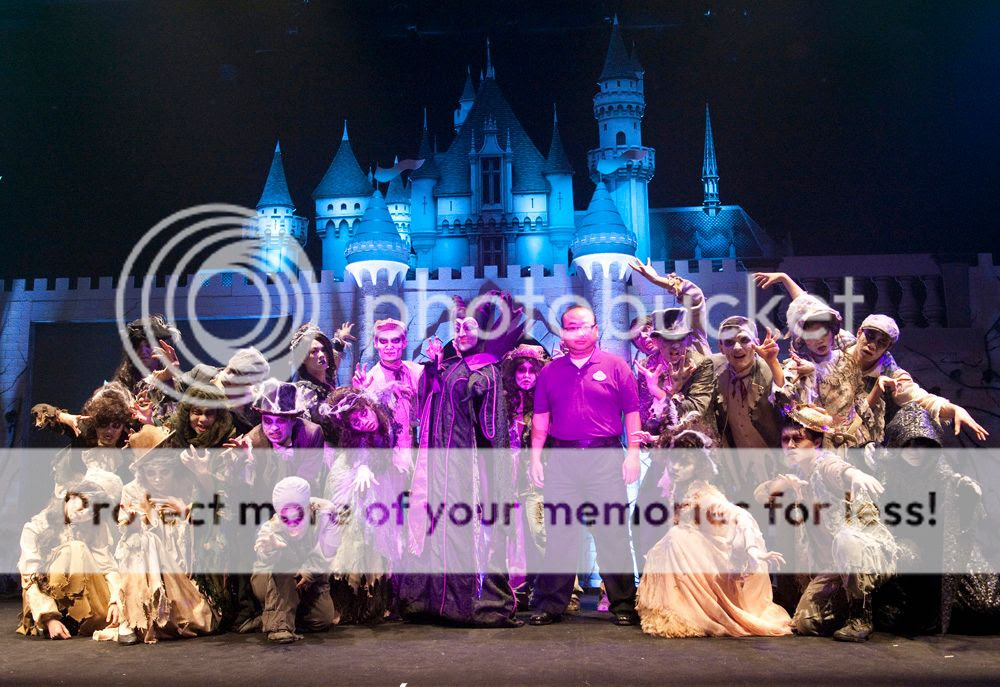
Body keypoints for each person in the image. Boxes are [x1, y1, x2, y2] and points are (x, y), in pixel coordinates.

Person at [396, 295, 522, 627]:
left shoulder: (486, 369)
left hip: (467, 469)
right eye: (458, 326)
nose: (462, 332)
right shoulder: (447, 365)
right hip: (436, 466)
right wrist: (433, 370)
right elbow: (426, 407)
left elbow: (493, 428)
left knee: (462, 529)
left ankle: (468, 604)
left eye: (470, 327)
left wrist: (482, 388)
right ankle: (432, 601)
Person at [527, 304, 642, 627]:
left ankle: (623, 603)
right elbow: (540, 419)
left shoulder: (616, 366)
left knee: (612, 532)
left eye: (583, 326)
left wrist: (633, 454)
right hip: (562, 460)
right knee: (560, 533)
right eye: (571, 327)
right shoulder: (550, 372)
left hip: (605, 457)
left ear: (595, 329)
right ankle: (551, 604)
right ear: (562, 332)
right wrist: (535, 458)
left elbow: (632, 413)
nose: (578, 333)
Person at [754, 404, 898, 642]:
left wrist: (856, 475)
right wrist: (781, 485)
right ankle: (845, 606)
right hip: (831, 567)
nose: (790, 446)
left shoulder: (824, 465)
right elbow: (760, 495)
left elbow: (839, 470)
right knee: (805, 624)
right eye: (785, 440)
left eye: (797, 439)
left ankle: (861, 616)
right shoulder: (799, 474)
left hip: (863, 557)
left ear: (816, 442)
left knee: (846, 539)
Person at [636, 418, 791, 637]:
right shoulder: (678, 486)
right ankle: (676, 605)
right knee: (674, 538)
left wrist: (752, 549)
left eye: (685, 463)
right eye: (675, 461)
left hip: (706, 558)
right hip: (691, 555)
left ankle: (693, 610)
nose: (676, 467)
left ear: (698, 467)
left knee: (677, 537)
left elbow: (738, 515)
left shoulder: (703, 495)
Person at [872, 403, 1000, 635]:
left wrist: (964, 488)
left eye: (921, 443)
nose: (915, 450)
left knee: (985, 603)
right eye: (908, 443)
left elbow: (951, 482)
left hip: (942, 546)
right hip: (905, 547)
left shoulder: (937, 469)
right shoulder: (886, 471)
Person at [115, 425, 220, 644]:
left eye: (164, 472)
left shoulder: (186, 487)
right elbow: (125, 535)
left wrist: (185, 511)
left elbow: (211, 520)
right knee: (141, 540)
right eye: (151, 473)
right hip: (146, 575)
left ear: (173, 470)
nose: (158, 479)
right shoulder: (132, 491)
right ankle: (129, 620)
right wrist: (136, 521)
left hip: (182, 575)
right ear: (142, 473)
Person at [672, 315, 785, 499]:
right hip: (738, 469)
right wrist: (675, 388)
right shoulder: (716, 370)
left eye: (744, 340)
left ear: (756, 342)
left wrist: (773, 363)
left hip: (775, 461)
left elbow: (787, 398)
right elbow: (695, 343)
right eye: (729, 342)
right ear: (721, 347)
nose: (737, 347)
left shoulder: (769, 368)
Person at [315, 388, 397, 624]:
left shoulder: (384, 417)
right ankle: (352, 601)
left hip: (378, 480)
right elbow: (359, 456)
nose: (363, 422)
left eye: (362, 414)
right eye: (355, 422)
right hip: (352, 481)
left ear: (369, 405)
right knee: (357, 533)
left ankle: (374, 601)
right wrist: (362, 466)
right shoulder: (356, 440)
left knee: (377, 535)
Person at [17, 467, 124, 640]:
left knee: (79, 549)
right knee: (75, 548)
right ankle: (62, 617)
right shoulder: (35, 528)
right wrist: (49, 618)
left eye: (94, 511)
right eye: (85, 504)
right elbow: (29, 579)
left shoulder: (95, 527)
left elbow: (107, 568)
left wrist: (115, 599)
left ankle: (85, 617)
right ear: (71, 496)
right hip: (47, 597)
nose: (87, 514)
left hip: (84, 597)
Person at [250, 476, 340, 643]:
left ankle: (278, 615)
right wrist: (272, 549)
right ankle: (279, 625)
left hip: (309, 579)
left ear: (308, 507)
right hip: (271, 579)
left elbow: (328, 550)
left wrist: (308, 572)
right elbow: (263, 556)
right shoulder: (271, 527)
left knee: (322, 620)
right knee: (285, 567)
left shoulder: (326, 514)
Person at [352, 317, 424, 475]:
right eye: (383, 341)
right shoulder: (370, 379)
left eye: (395, 340)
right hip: (387, 456)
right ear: (376, 344)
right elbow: (360, 427)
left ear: (404, 343)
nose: (389, 346)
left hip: (416, 452)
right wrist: (360, 393)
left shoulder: (417, 372)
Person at [241, 379, 327, 490]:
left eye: (281, 421)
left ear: (293, 420)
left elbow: (306, 477)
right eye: (268, 421)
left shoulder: (311, 434)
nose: (274, 428)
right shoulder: (253, 440)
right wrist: (239, 460)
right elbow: (250, 485)